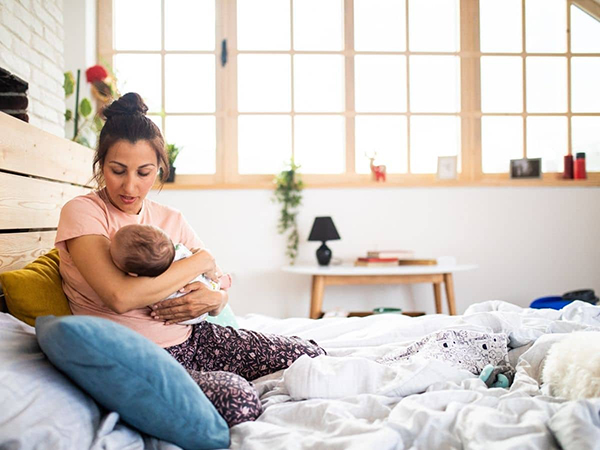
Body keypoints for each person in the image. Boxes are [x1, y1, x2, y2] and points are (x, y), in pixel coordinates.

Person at [55, 92, 325, 427]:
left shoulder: (170, 218)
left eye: (144, 172)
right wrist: (201, 260)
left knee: (311, 357)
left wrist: (215, 300)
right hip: (143, 358)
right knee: (238, 401)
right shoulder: (84, 212)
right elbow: (120, 296)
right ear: (100, 165)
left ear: (160, 169)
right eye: (117, 170)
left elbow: (217, 284)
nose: (130, 185)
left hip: (196, 339)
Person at [109, 223, 232, 325]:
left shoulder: (175, 219)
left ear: (132, 273)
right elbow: (205, 261)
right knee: (208, 281)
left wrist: (220, 297)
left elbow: (220, 295)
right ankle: (220, 283)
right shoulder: (174, 252)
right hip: (195, 311)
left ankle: (219, 283)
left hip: (196, 315)